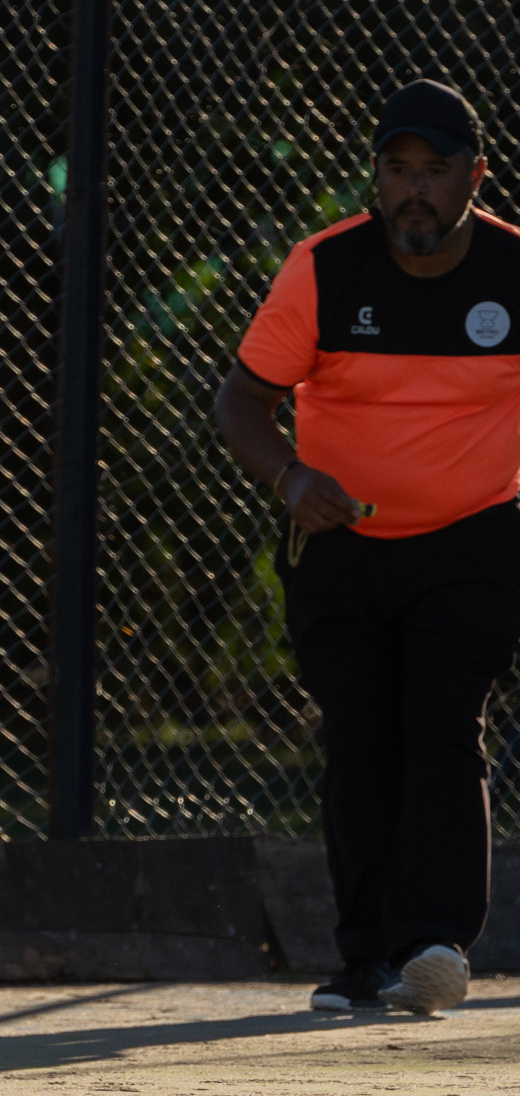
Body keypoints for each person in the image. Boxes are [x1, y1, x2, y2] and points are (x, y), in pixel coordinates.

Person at [216, 80, 520, 1015]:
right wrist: (289, 478)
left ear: (475, 176)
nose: (414, 189)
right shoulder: (324, 268)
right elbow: (242, 400)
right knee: (360, 736)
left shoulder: (514, 269)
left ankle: (433, 947)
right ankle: (364, 962)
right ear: (376, 177)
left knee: (443, 722)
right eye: (398, 169)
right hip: (341, 546)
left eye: (435, 171)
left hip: (473, 543)